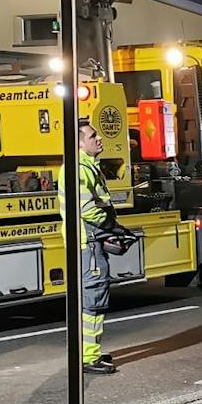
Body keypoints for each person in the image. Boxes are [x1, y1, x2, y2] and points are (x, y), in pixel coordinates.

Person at [78, 117, 117, 375]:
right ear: (80, 144)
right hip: (89, 244)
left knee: (94, 298)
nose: (99, 139)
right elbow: (86, 208)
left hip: (92, 242)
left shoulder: (89, 167)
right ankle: (89, 358)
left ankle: (90, 352)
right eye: (93, 137)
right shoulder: (80, 168)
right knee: (93, 300)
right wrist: (112, 228)